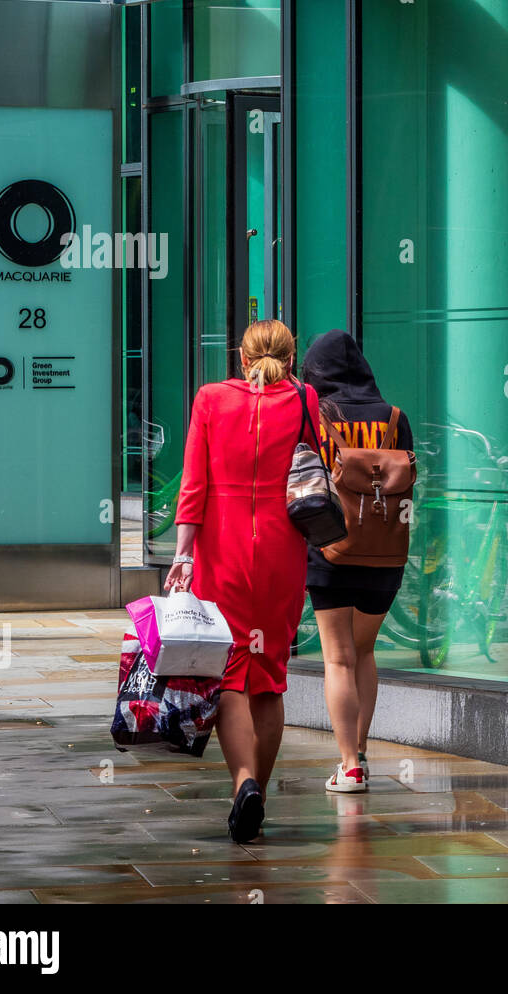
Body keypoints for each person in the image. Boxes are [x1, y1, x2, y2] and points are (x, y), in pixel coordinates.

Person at [166, 320, 320, 842]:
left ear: (241, 356)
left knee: (229, 674)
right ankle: (254, 797)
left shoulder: (210, 399)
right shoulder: (305, 399)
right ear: (291, 357)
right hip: (281, 552)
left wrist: (183, 554)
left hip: (222, 550)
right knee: (269, 676)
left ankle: (243, 784)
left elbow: (193, 483)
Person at [300, 330, 413, 793]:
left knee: (338, 659)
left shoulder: (318, 413)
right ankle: (361, 750)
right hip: (386, 555)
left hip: (331, 549)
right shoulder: (395, 418)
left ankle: (349, 766)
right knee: (364, 652)